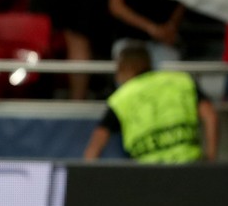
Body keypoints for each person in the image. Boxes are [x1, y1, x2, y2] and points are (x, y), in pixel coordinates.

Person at [84, 42, 219, 163]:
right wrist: (211, 157)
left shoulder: (121, 98)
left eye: (118, 71)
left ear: (127, 68)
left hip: (149, 175)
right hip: (190, 166)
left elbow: (95, 147)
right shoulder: (181, 80)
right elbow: (210, 116)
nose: (117, 77)